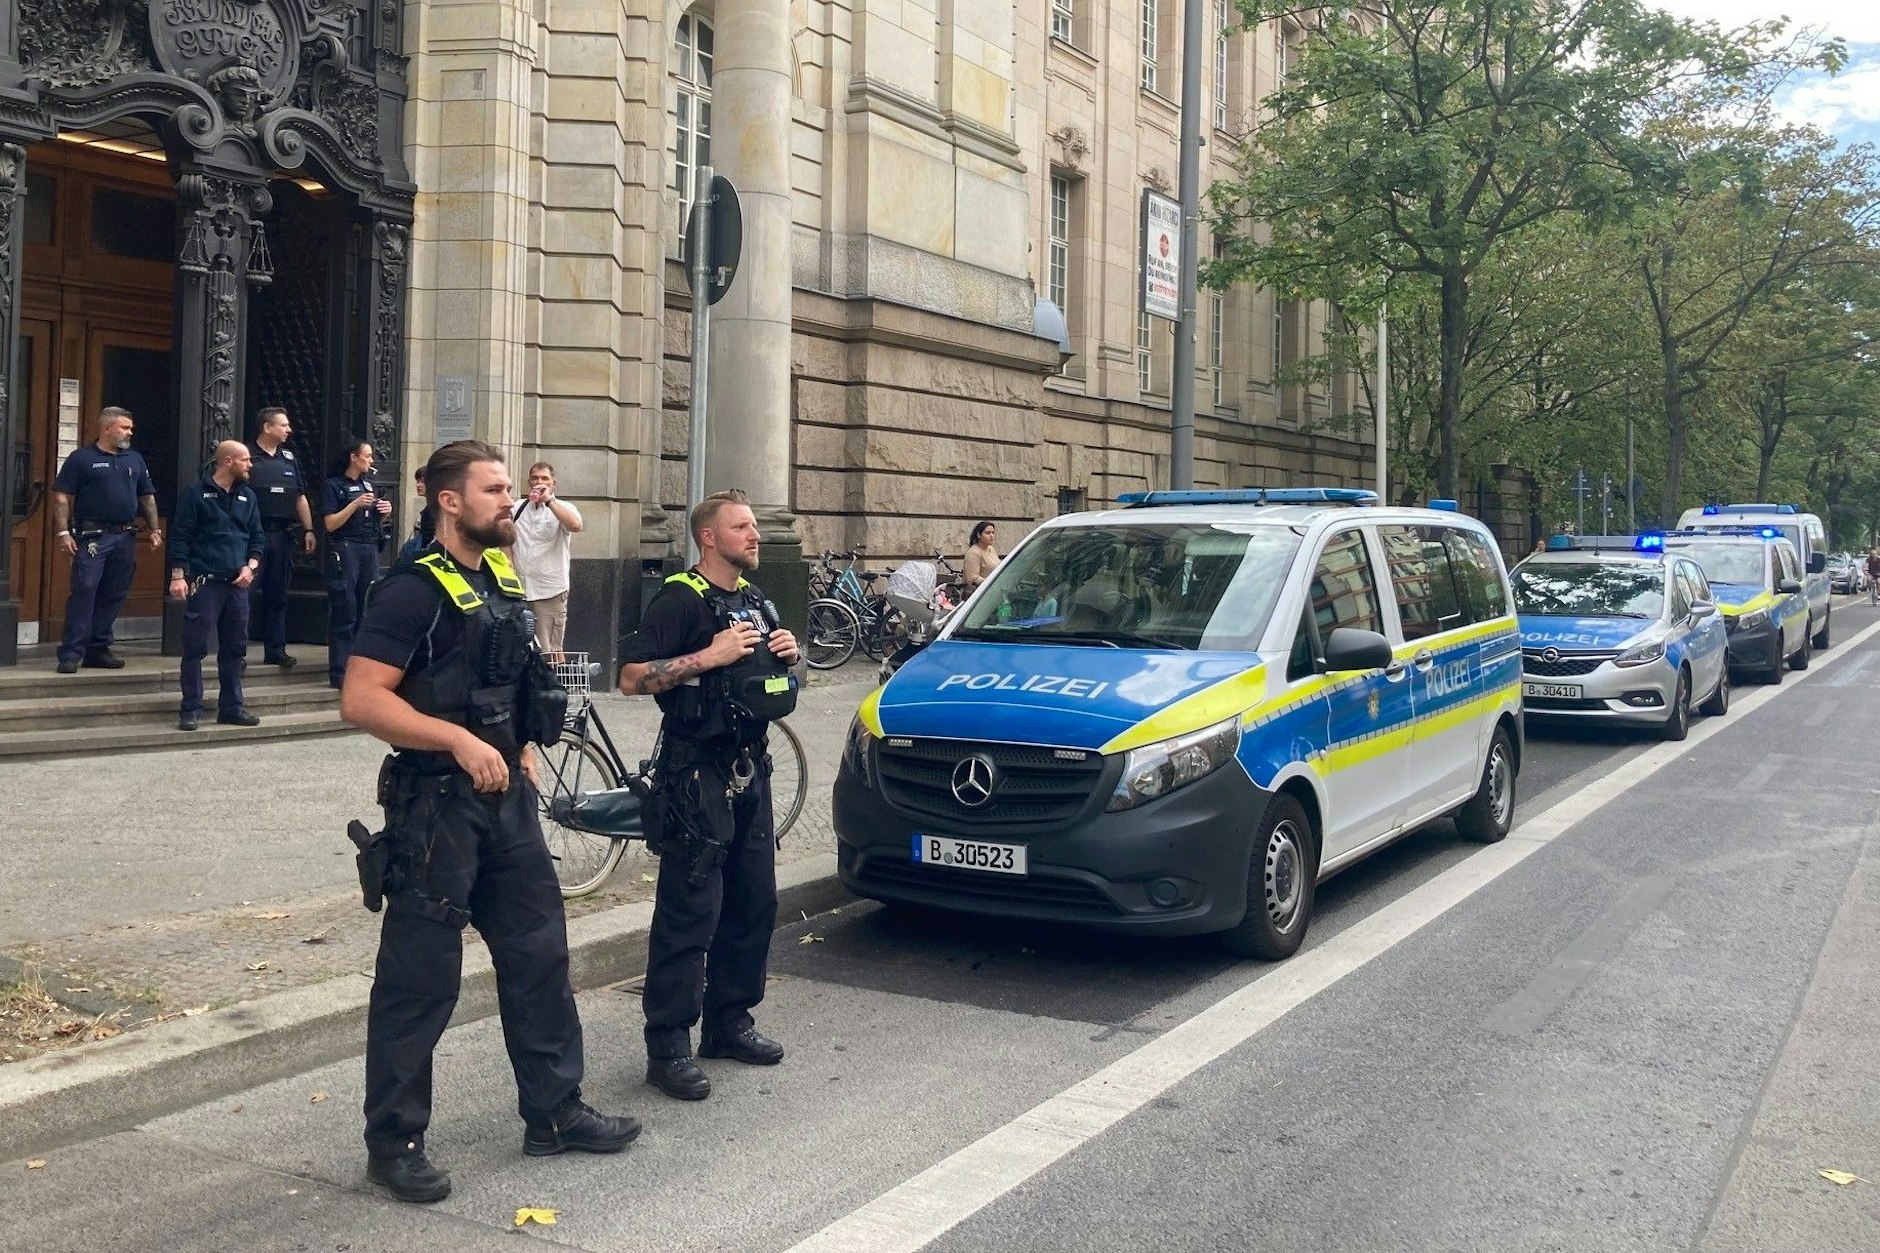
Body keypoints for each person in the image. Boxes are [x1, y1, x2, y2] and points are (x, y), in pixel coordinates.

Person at [339, 439, 638, 1204]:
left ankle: (554, 1111)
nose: (510, 499)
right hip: (436, 809)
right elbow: (363, 699)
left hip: (507, 799)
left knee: (540, 955)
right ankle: (394, 1141)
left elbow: (504, 678)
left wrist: (518, 747)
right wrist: (459, 740)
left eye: (509, 486)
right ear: (449, 500)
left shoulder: (502, 573)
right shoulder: (410, 589)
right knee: (419, 979)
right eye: (495, 488)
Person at [619, 489, 801, 1102]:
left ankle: (729, 1023)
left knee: (753, 902)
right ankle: (667, 1043)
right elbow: (630, 678)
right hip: (695, 774)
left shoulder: (756, 602)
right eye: (742, 527)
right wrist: (707, 656)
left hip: (751, 770)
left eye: (754, 526)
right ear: (708, 537)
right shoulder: (680, 598)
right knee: (689, 909)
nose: (754, 535)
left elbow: (777, 683)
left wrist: (788, 656)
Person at [50, 407, 162, 674]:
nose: (129, 432)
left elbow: (147, 496)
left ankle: (98, 649)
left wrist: (155, 529)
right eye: (125, 427)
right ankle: (71, 652)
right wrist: (63, 533)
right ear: (107, 428)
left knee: (114, 593)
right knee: (85, 590)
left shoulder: (135, 459)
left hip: (125, 536)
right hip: (92, 537)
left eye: (130, 427)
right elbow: (62, 497)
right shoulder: (81, 459)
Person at [168, 441, 265, 731]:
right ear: (227, 462)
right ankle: (190, 708)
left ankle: (232, 707)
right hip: (205, 581)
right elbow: (180, 536)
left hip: (238, 583)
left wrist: (251, 567)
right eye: (245, 460)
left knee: (235, 648)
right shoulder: (196, 495)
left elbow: (257, 537)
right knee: (195, 646)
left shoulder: (248, 496)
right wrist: (177, 575)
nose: (250, 465)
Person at [246, 407, 316, 668]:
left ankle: (276, 649)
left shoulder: (289, 458)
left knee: (278, 595)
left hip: (282, 535)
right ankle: (237, 651)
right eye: (284, 425)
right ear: (267, 427)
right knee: (246, 595)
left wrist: (308, 529)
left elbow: (300, 496)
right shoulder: (247, 456)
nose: (289, 430)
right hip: (254, 535)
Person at [323, 439, 392, 688]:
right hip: (346, 547)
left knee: (367, 608)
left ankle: (362, 670)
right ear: (354, 457)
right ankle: (339, 671)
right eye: (368, 456)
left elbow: (375, 521)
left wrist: (384, 512)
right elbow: (330, 524)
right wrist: (354, 505)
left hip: (369, 547)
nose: (371, 461)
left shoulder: (370, 484)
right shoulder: (334, 486)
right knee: (346, 609)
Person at [509, 462, 582, 659]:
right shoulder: (516, 508)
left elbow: (575, 525)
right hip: (520, 589)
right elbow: (506, 539)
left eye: (544, 479)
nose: (539, 482)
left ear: (553, 483)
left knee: (549, 649)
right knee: (517, 646)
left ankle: (552, 687)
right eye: (535, 478)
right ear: (528, 482)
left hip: (549, 590)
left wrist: (549, 500)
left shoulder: (563, 508)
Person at [396, 464, 435, 564]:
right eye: (417, 481)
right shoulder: (429, 508)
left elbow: (430, 537)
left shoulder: (434, 510)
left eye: (423, 482)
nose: (418, 485)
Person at [964, 520, 1000, 588]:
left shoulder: (991, 549)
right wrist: (991, 582)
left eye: (993, 532)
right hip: (981, 592)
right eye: (988, 533)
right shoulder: (973, 553)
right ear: (979, 535)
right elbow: (972, 579)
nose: (991, 535)